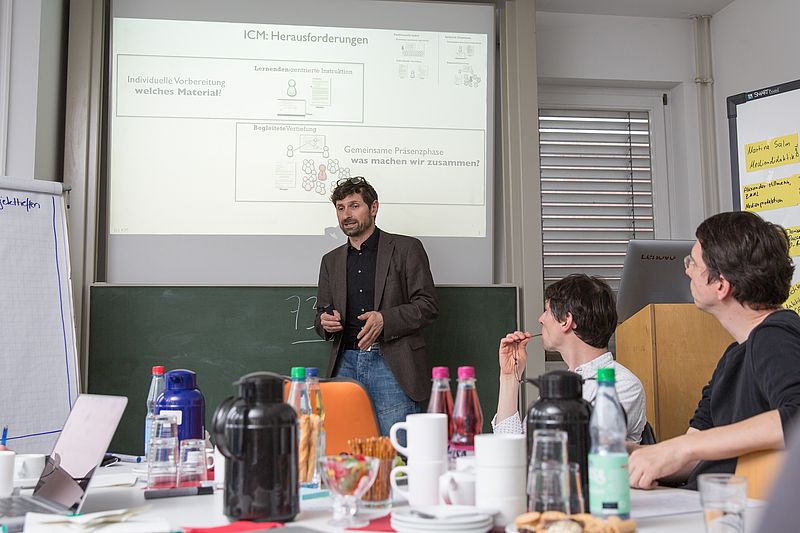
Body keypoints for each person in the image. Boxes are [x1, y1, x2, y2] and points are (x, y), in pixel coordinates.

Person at [628, 211, 800, 490]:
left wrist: (685, 447)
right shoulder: (733, 355)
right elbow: (696, 457)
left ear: (721, 285)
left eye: (693, 263)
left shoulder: (775, 335)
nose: (687, 271)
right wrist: (634, 455)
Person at [314, 176, 439, 435]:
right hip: (345, 364)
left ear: (373, 208)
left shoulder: (406, 248)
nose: (346, 215)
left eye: (354, 206)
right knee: (346, 446)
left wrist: (385, 319)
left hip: (391, 362)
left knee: (397, 448)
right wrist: (325, 322)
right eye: (340, 208)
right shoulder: (330, 261)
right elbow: (321, 317)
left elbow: (427, 305)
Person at [493, 274, 647, 443]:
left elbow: (574, 448)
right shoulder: (559, 388)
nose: (541, 319)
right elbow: (508, 449)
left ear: (566, 320)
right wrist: (509, 377)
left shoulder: (622, 385)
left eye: (547, 311)